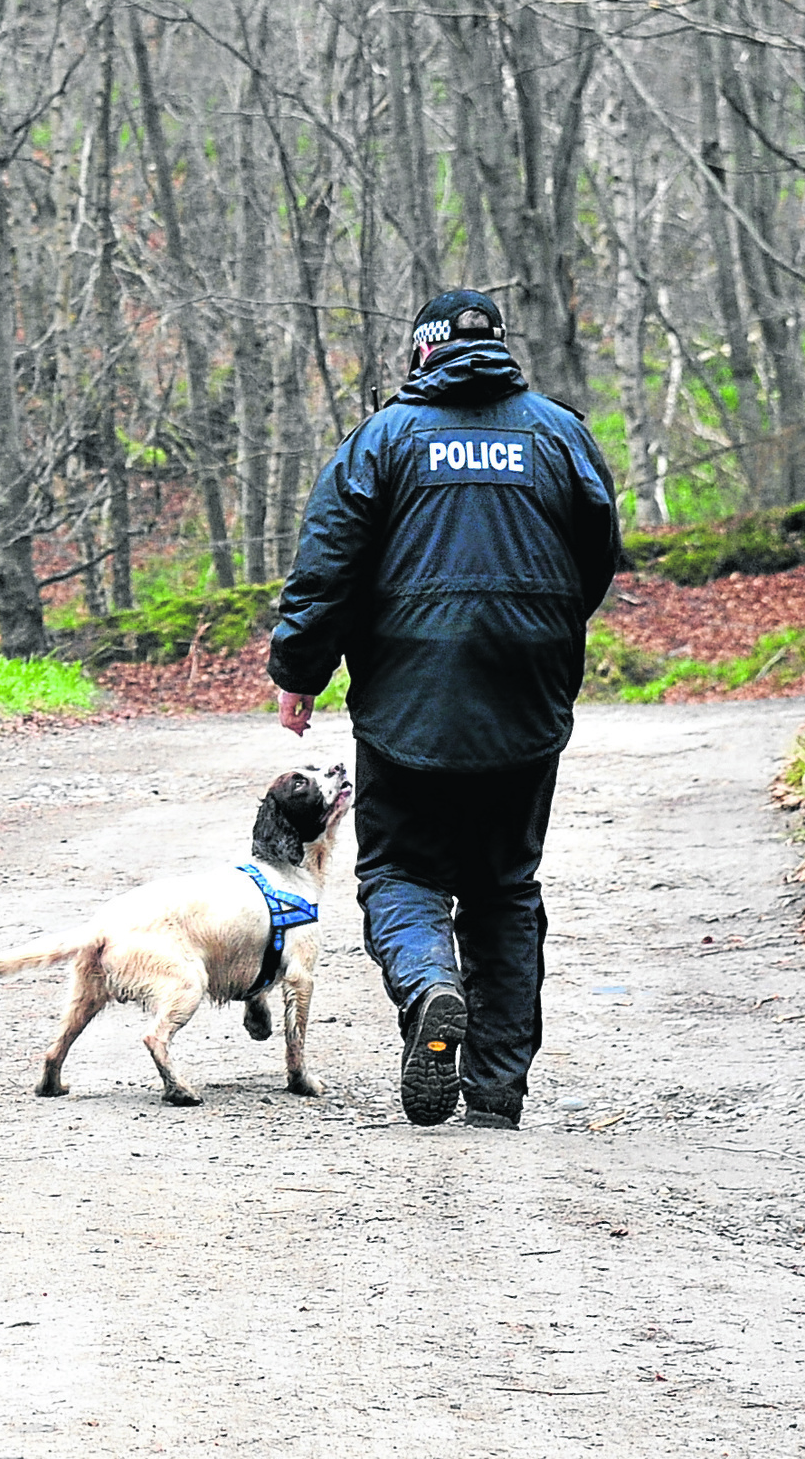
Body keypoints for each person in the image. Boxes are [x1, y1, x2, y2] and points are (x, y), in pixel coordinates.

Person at [265, 289, 621, 1130]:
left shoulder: (383, 441)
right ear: (499, 348)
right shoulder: (560, 435)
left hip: (408, 703)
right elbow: (597, 560)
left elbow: (328, 568)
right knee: (503, 887)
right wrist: (542, 637)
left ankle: (430, 988)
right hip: (525, 702)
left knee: (400, 871)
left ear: (420, 353)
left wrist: (300, 669)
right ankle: (496, 1089)